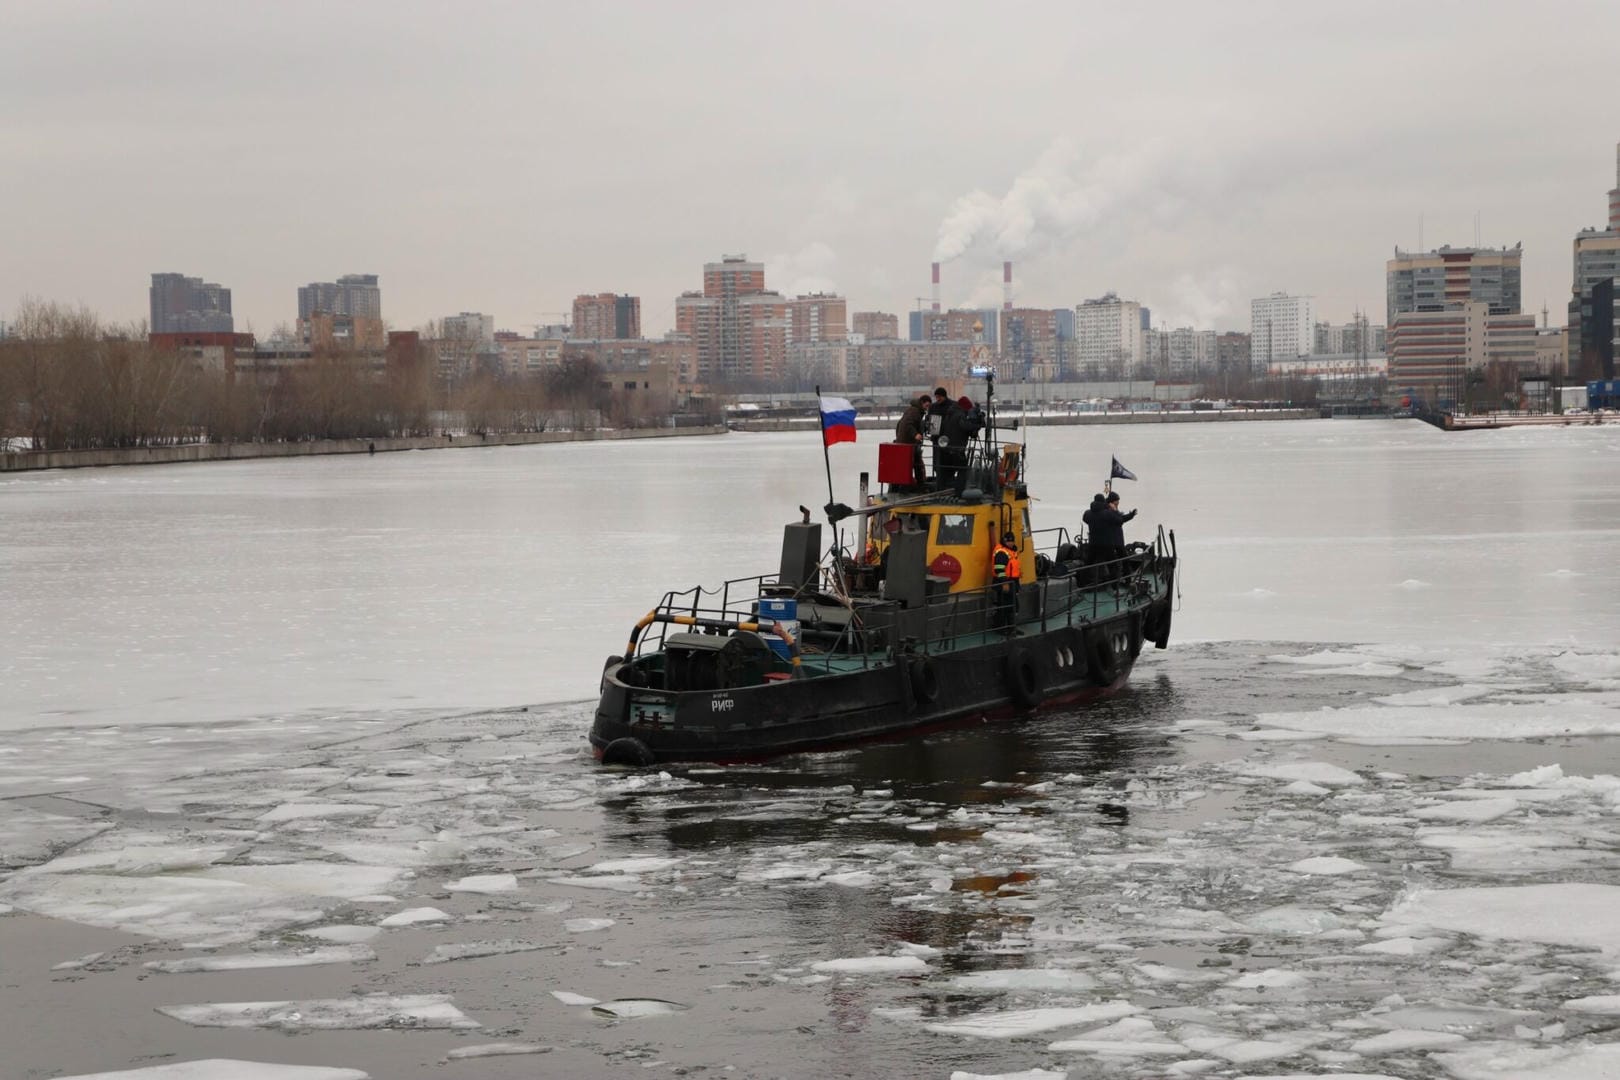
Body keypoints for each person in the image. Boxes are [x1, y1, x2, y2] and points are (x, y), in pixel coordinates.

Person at [937, 395, 985, 492]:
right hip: (957, 448)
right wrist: (977, 425)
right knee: (962, 470)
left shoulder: (950, 413)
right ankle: (959, 492)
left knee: (947, 471)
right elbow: (965, 426)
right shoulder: (960, 415)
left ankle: (942, 489)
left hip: (946, 448)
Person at [1086, 491, 1137, 567]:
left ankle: (1087, 573)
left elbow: (1120, 519)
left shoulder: (1090, 513)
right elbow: (1119, 520)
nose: (1118, 502)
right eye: (1117, 500)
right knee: (1115, 562)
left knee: (1091, 561)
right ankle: (1124, 574)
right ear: (1112, 501)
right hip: (1111, 540)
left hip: (1096, 541)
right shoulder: (1108, 512)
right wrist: (1115, 511)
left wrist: (1130, 515)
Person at [895, 393, 930, 487]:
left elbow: (900, 424)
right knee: (916, 463)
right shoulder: (914, 411)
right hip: (908, 443)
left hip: (906, 442)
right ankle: (917, 484)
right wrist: (915, 434)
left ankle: (914, 484)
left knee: (914, 463)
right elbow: (908, 424)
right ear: (922, 403)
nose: (927, 408)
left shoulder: (913, 410)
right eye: (926, 405)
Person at [991, 530, 1022, 632]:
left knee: (1012, 606)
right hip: (1004, 583)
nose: (1010, 543)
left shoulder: (1012, 551)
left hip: (1012, 582)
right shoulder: (1002, 552)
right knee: (1004, 606)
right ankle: (1001, 628)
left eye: (1012, 541)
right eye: (1009, 541)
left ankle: (1011, 627)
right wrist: (1004, 583)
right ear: (1005, 541)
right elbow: (999, 569)